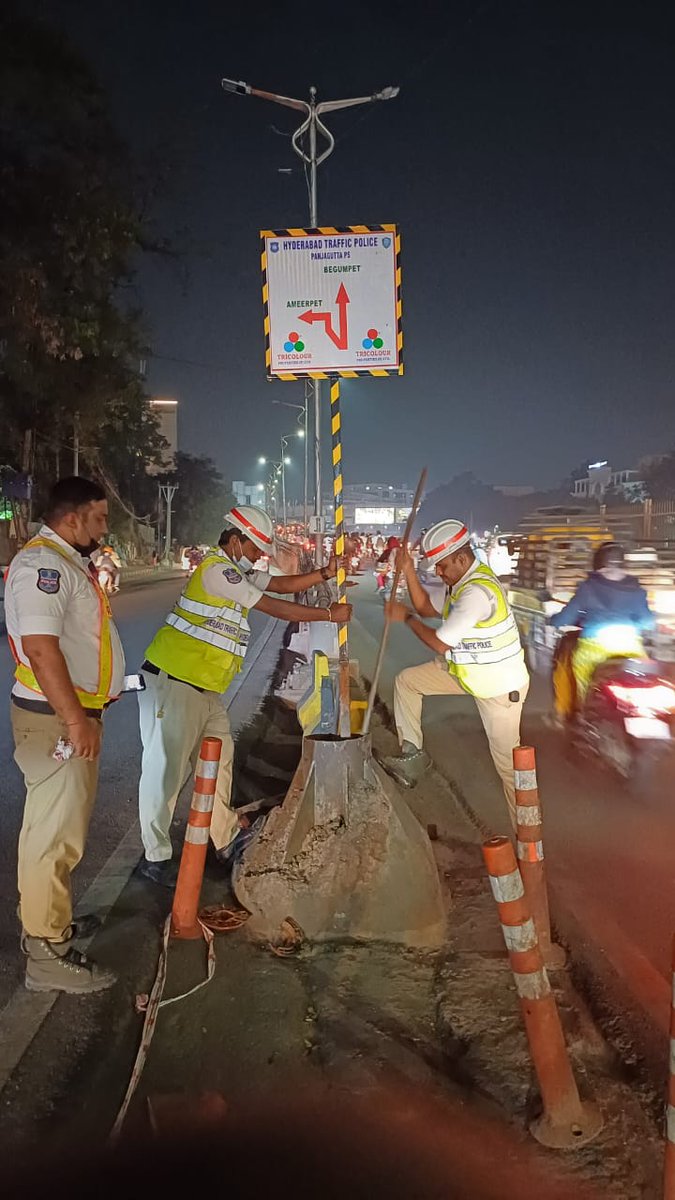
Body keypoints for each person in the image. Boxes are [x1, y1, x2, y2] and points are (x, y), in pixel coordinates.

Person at [137, 504, 352, 885]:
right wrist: (328, 616)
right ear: (235, 540)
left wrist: (320, 574)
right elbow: (271, 605)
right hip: (174, 681)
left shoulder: (238, 570)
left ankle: (224, 838)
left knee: (219, 760)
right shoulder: (218, 571)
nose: (258, 557)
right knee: (166, 770)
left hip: (205, 689)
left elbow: (279, 585)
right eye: (254, 549)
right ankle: (155, 858)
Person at [5, 477, 125, 993]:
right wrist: (77, 720)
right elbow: (41, 649)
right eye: (98, 518)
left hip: (68, 714)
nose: (103, 529)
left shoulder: (67, 562)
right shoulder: (43, 567)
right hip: (55, 718)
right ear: (72, 518)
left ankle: (53, 925)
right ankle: (45, 954)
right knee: (52, 839)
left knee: (61, 834)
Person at [381, 519, 529, 828]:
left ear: (462, 559)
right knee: (408, 682)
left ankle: (528, 842)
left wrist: (404, 617)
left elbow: (438, 642)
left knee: (511, 772)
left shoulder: (476, 593)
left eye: (442, 565)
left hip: (499, 687)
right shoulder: (459, 585)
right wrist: (408, 569)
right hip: (469, 673)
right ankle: (412, 757)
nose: (438, 572)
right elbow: (425, 606)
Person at [549, 541, 654, 718]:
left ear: (598, 565)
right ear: (623, 565)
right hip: (631, 647)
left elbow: (566, 617)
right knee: (645, 682)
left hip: (594, 649)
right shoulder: (636, 590)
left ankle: (585, 716)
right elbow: (648, 622)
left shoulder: (588, 588)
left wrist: (554, 620)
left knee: (587, 685)